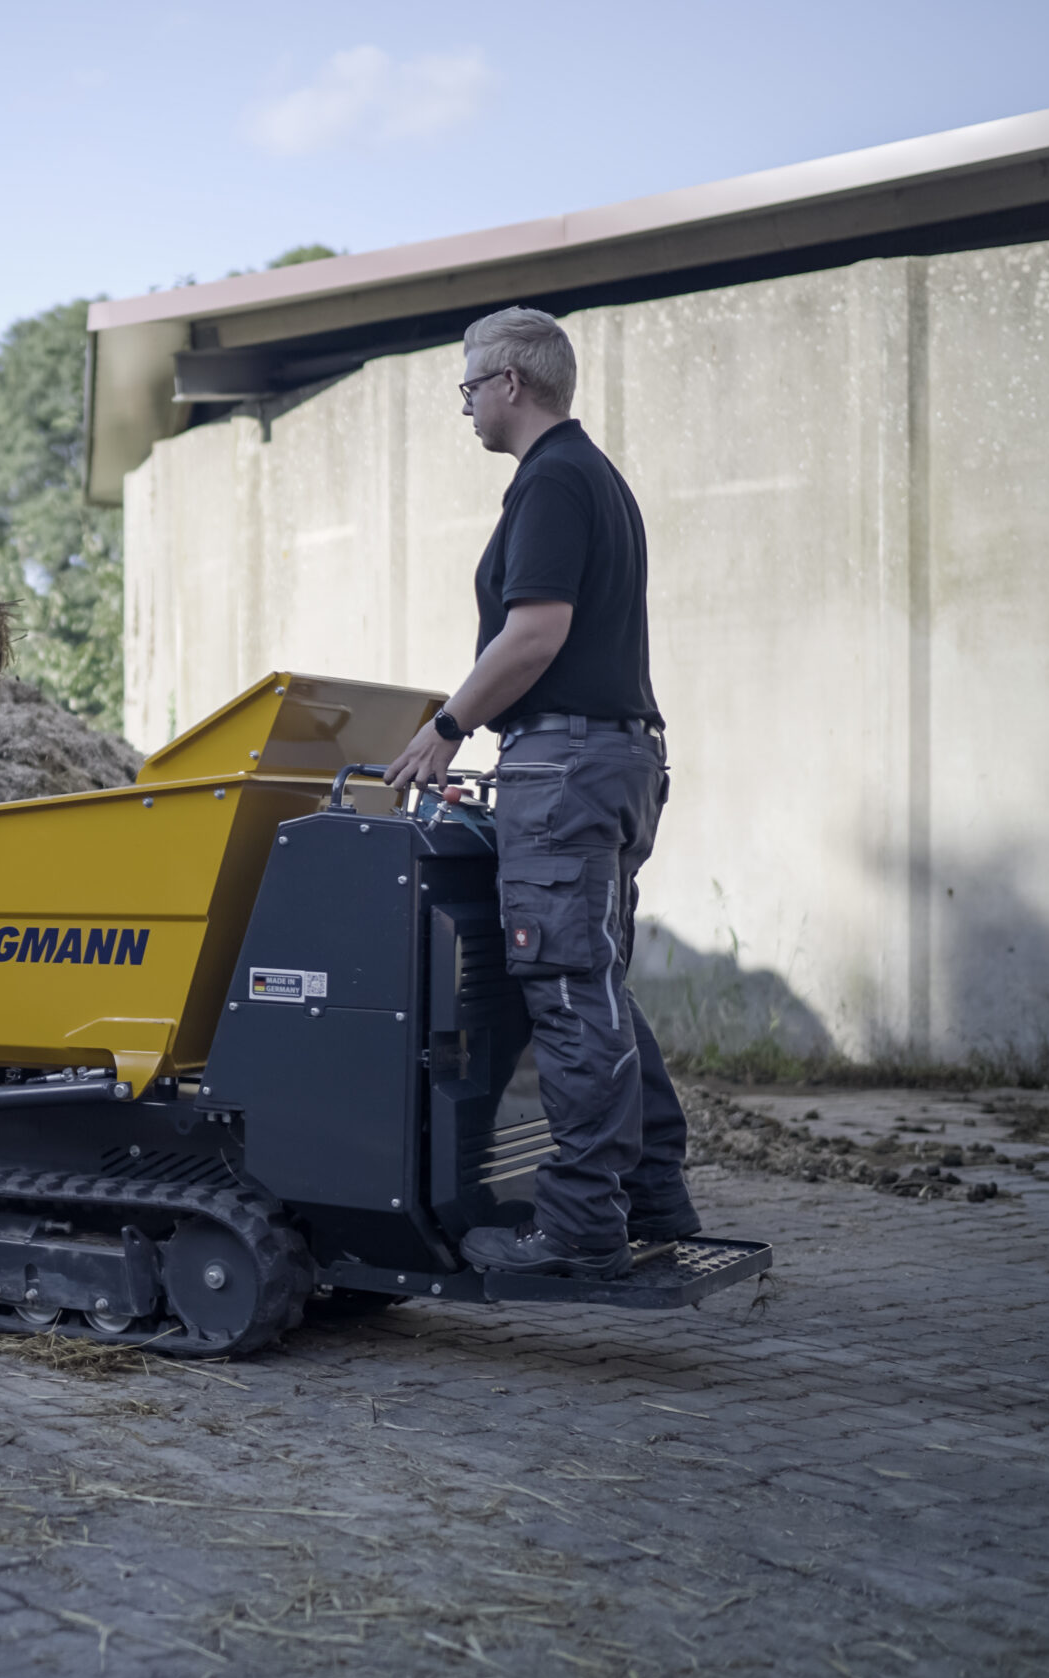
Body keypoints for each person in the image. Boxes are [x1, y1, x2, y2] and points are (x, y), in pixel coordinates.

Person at [383, 306, 698, 1281]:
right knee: (592, 979)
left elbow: (534, 635)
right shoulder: (593, 476)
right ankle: (651, 1191)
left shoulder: (553, 481)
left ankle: (577, 1230)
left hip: (566, 766)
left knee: (565, 989)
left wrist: (447, 728)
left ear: (512, 383)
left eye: (469, 386)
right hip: (608, 760)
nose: (464, 405)